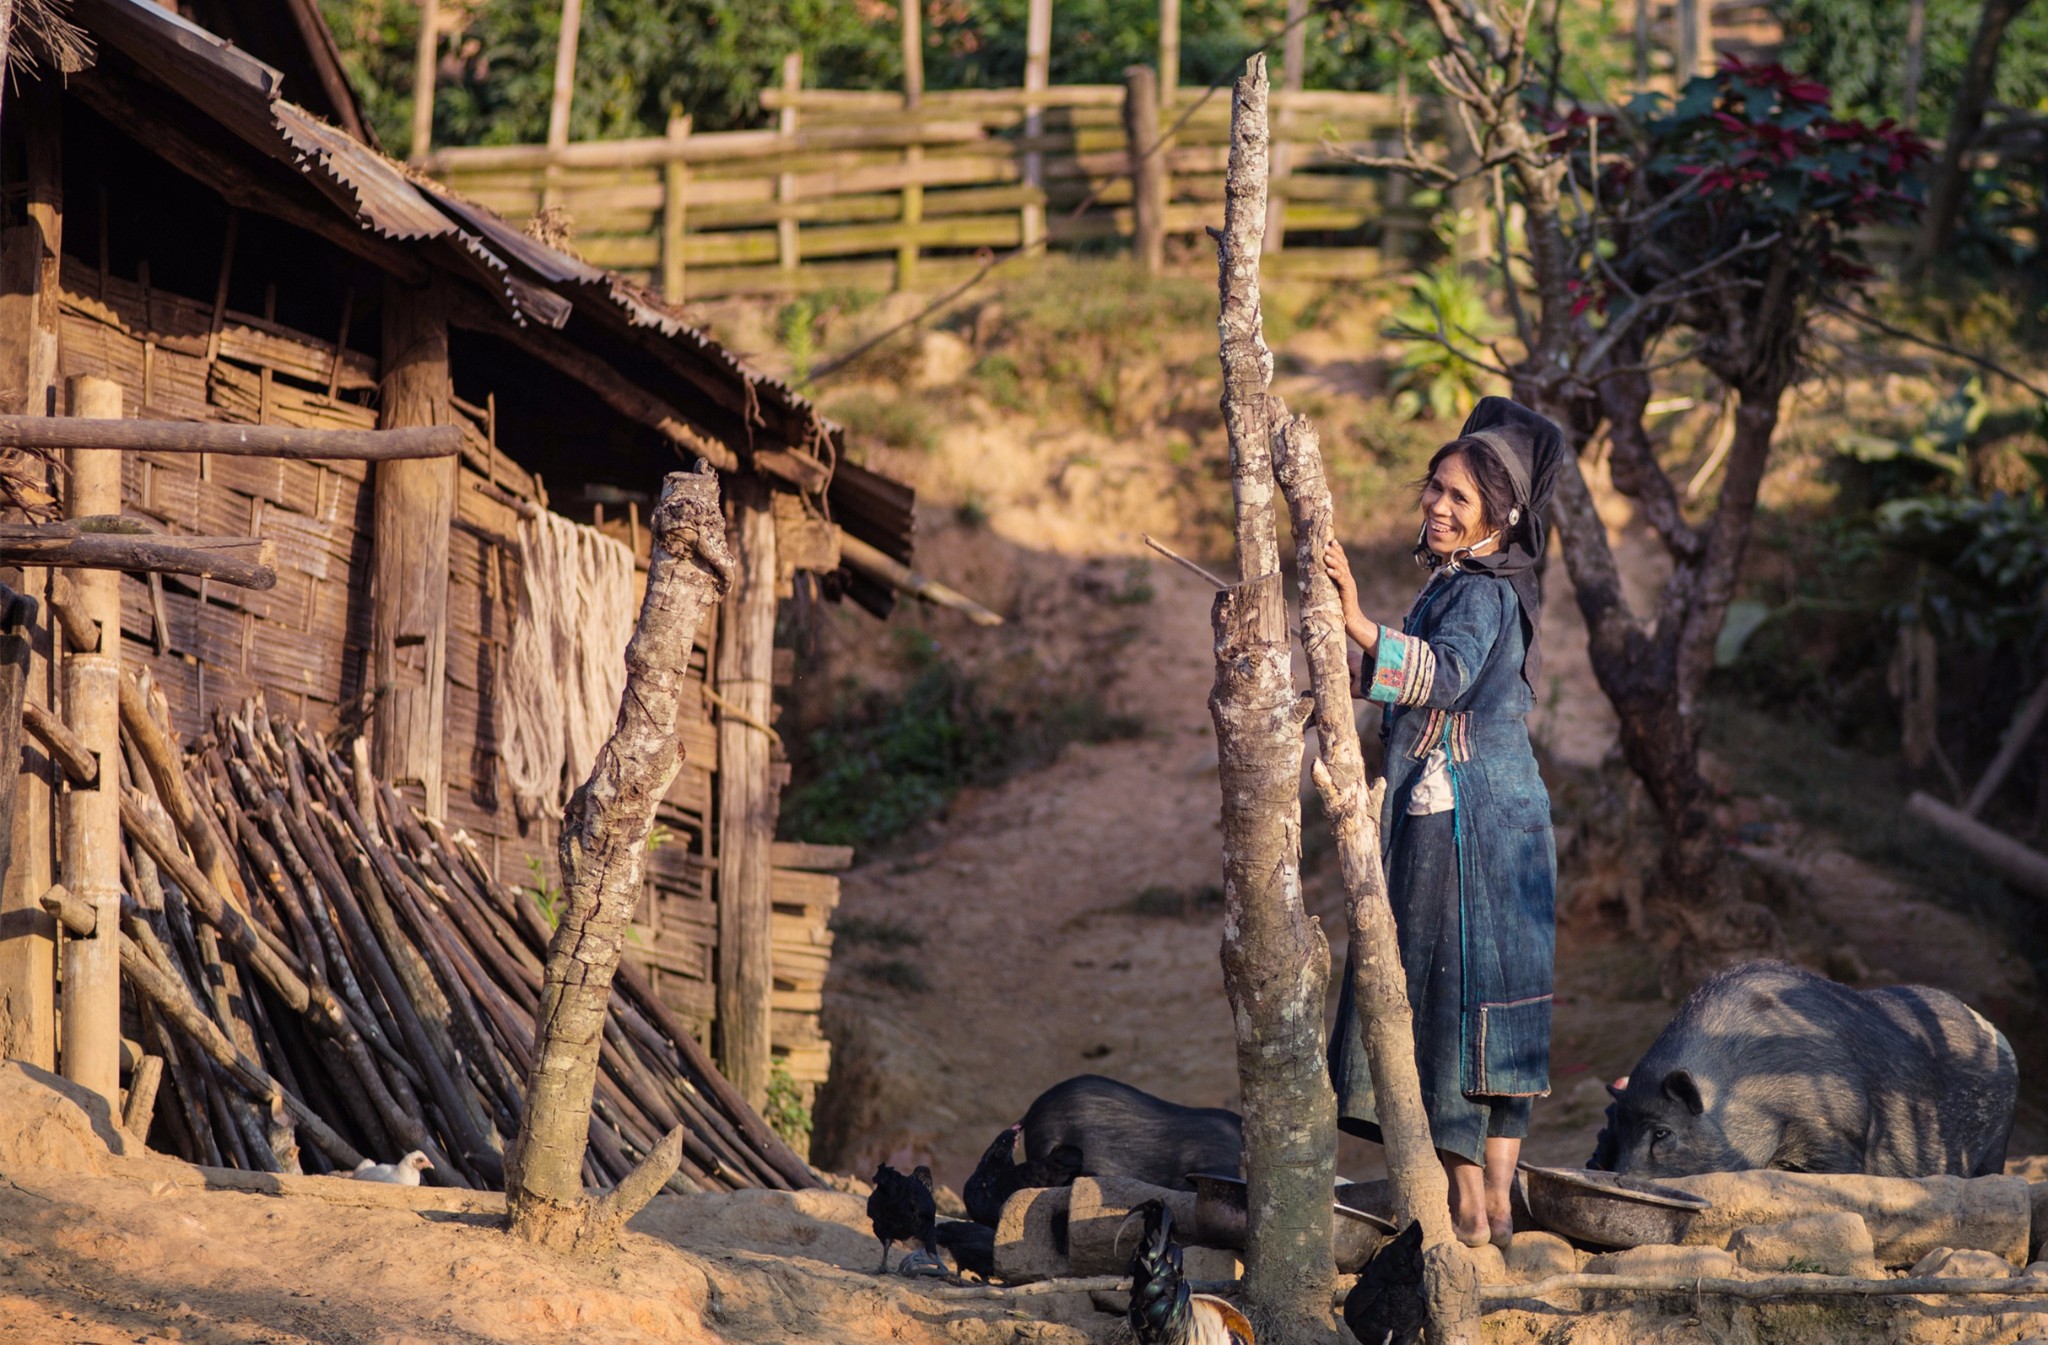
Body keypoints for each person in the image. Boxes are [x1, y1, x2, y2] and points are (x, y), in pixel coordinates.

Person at [1322, 396, 1564, 1249]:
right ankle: (1493, 1215)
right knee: (1492, 1009)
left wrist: (1356, 618)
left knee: (1450, 1006)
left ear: (1500, 518)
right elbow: (1419, 676)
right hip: (1503, 821)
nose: (1437, 505)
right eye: (1435, 488)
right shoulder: (1469, 582)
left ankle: (1470, 1221)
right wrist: (1351, 663)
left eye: (1459, 498)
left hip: (1465, 828)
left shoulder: (1482, 595)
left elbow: (1447, 673)